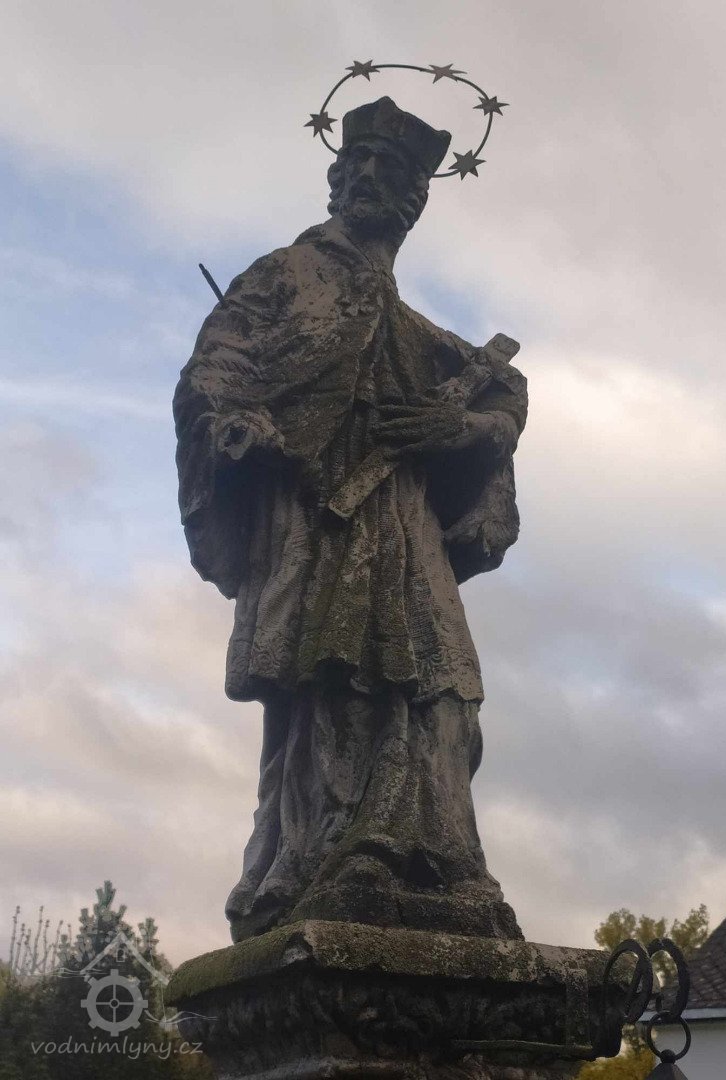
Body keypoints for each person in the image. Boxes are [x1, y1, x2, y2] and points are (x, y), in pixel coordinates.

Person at [174, 97, 527, 942]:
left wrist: (458, 429)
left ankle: (441, 863)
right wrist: (238, 426)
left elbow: (504, 394)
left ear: (415, 200)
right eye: (357, 164)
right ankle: (338, 859)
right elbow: (213, 374)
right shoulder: (284, 278)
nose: (369, 177)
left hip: (403, 520)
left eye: (390, 170)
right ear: (335, 180)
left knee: (448, 689)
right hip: (318, 515)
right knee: (339, 680)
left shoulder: (409, 326)